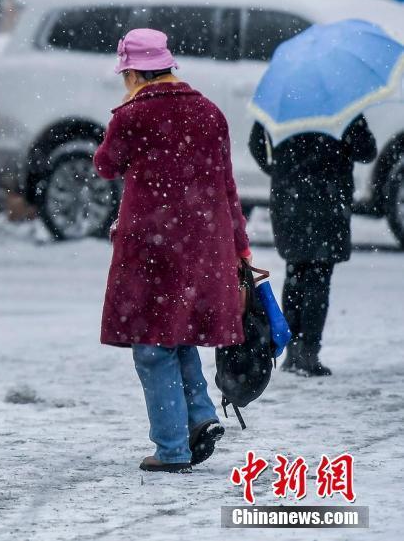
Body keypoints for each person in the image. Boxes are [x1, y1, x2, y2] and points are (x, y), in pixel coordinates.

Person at [94, 28, 252, 474]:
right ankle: (200, 416)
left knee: (152, 344)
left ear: (133, 74)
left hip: (152, 246)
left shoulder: (132, 116)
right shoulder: (210, 112)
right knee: (176, 332)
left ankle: (171, 448)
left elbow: (105, 164)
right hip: (203, 243)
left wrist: (123, 117)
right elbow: (227, 186)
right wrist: (240, 246)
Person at [249, 116, 376, 377]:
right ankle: (308, 351)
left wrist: (276, 168)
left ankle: (293, 350)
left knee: (295, 271)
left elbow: (256, 143)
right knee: (319, 275)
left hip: (289, 197)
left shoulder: (281, 105)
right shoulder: (342, 107)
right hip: (329, 198)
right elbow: (367, 152)